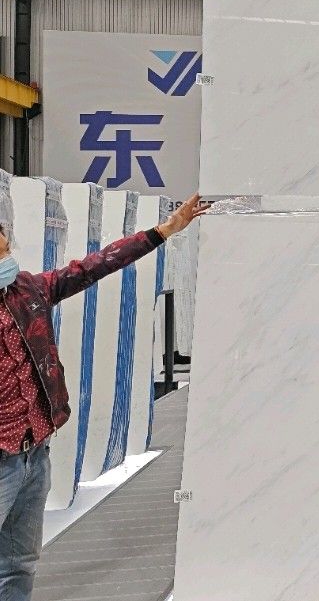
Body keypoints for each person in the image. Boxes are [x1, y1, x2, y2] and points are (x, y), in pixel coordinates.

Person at [0, 192, 210, 600]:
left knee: (18, 563)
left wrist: (164, 231)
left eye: (6, 248)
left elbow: (94, 267)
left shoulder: (27, 292)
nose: (7, 260)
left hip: (33, 455)